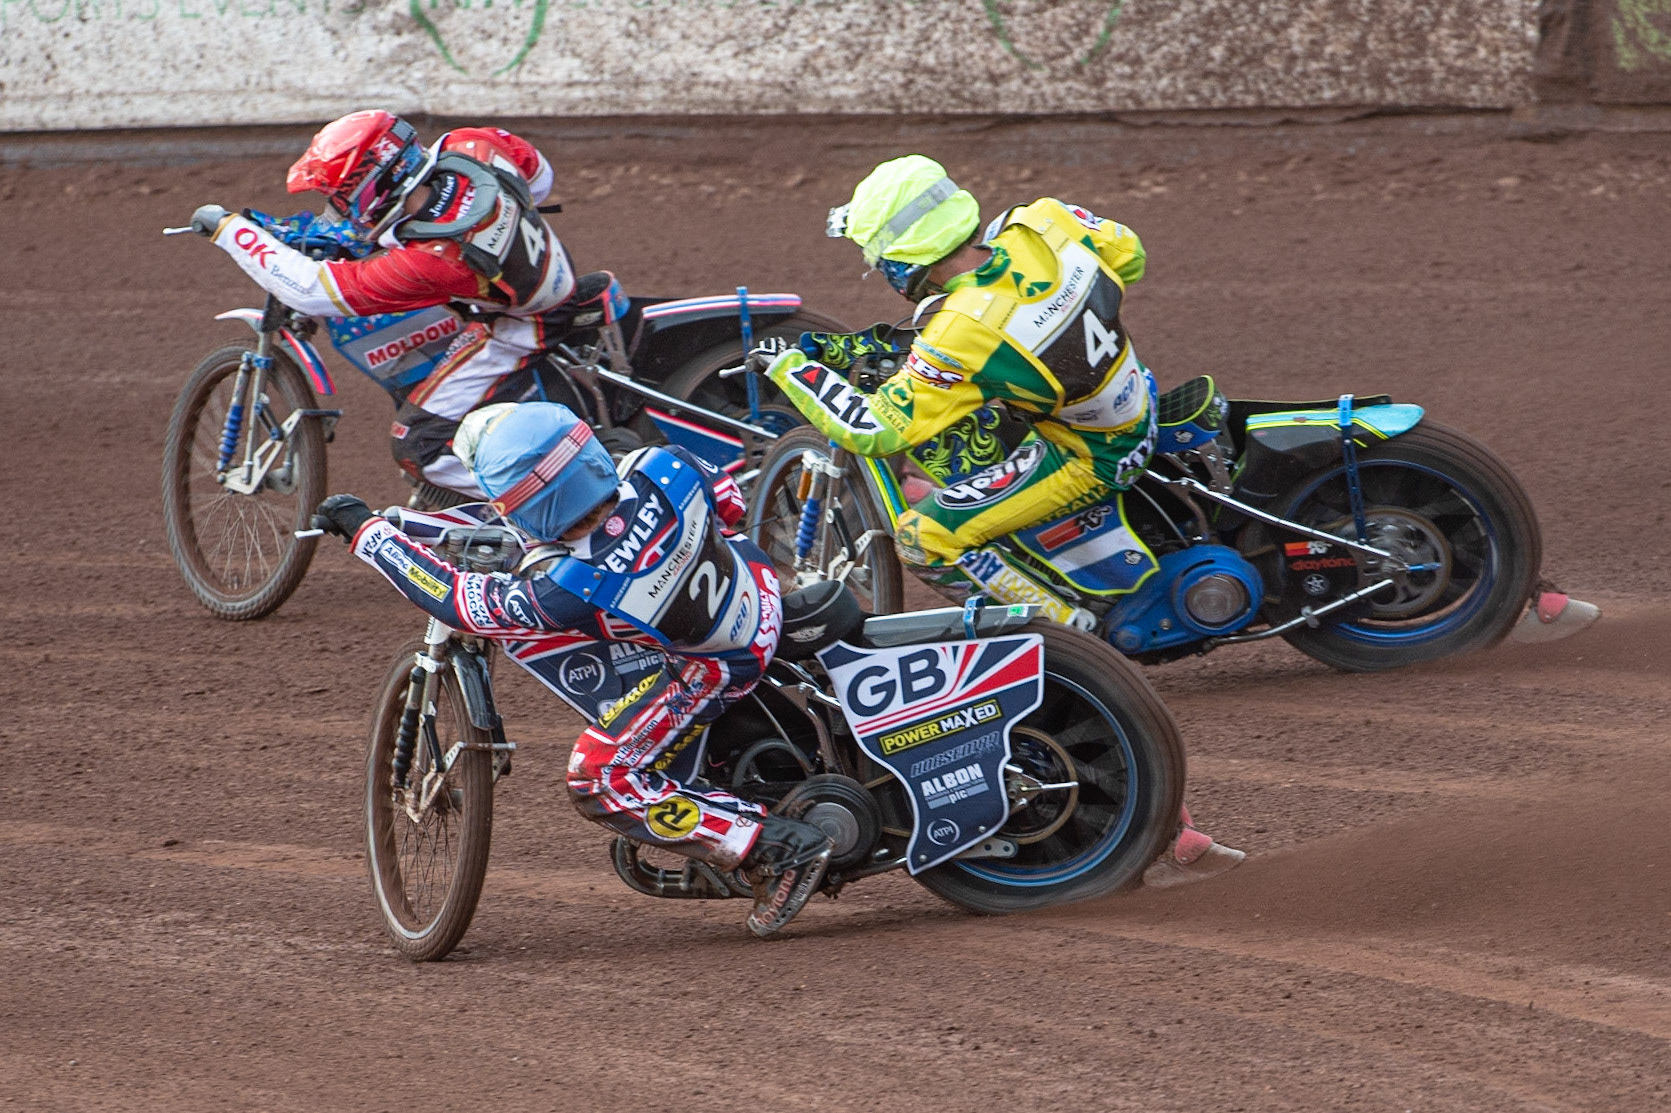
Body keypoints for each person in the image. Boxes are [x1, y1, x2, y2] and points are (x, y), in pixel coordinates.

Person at [757, 154, 1242, 888]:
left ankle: (1057, 635)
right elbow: (1129, 252)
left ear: (898, 256)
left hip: (1086, 450)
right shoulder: (1039, 222)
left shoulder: (959, 331)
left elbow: (879, 430)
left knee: (928, 531)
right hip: (1124, 390)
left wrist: (792, 370)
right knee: (962, 444)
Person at [311, 401, 835, 937]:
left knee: (598, 777)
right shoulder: (664, 464)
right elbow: (727, 503)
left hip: (719, 664)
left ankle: (773, 847)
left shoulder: (570, 590)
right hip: (763, 589)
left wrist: (369, 536)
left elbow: (456, 601)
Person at [188, 110, 622, 499]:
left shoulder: (433, 259)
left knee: (419, 445)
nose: (335, 208)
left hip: (521, 328)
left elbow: (311, 290)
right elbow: (539, 176)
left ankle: (563, 503)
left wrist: (228, 231)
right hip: (548, 270)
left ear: (373, 185)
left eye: (340, 197)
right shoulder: (469, 144)